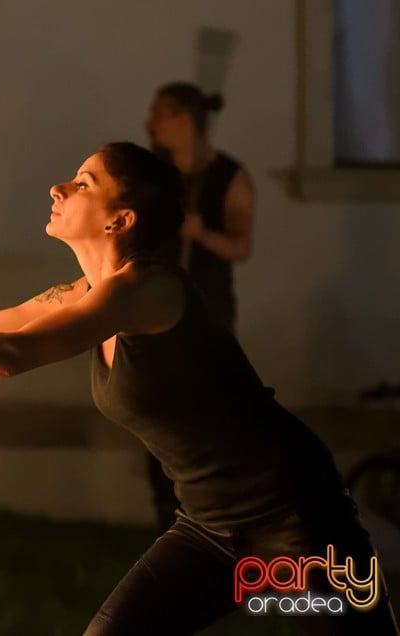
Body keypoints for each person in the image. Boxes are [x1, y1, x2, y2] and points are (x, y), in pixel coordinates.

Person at [0, 142, 399, 634]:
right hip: (207, 530)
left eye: (83, 182)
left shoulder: (151, 289)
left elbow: (5, 356)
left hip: (299, 523)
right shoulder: (80, 296)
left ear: (121, 219)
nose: (58, 187)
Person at [144, 81, 256, 530]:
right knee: (156, 416)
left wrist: (201, 232)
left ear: (183, 120)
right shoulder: (155, 173)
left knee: (203, 419)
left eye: (157, 114)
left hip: (207, 315)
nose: (149, 123)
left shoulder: (229, 177)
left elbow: (241, 245)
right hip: (154, 310)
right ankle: (164, 523)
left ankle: (209, 522)